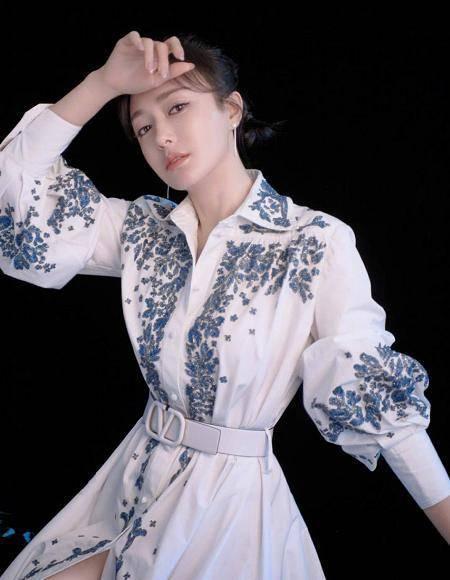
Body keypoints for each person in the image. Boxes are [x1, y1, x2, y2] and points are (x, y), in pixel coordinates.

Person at [1, 30, 449, 579]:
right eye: (144, 127)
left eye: (178, 108)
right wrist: (102, 84)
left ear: (232, 109)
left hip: (224, 509)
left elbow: (374, 402)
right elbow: (18, 188)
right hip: (131, 483)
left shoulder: (312, 242)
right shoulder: (143, 232)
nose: (163, 137)